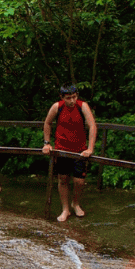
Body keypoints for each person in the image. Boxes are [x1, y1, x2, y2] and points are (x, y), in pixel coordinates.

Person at [42, 85, 97, 222]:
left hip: (79, 150)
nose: (72, 101)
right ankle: (65, 209)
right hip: (62, 149)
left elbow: (92, 126)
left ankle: (76, 203)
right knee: (63, 179)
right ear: (62, 97)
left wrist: (90, 148)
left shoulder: (82, 106)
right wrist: (47, 143)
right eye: (68, 98)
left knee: (79, 181)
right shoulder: (57, 107)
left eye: (74, 97)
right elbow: (47, 123)